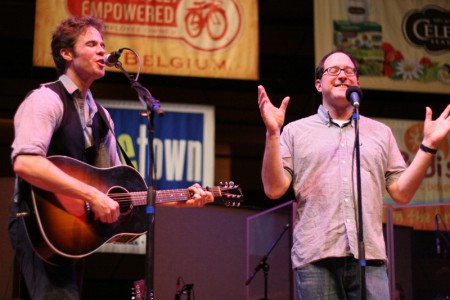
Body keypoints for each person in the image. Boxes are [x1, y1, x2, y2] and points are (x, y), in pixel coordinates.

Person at [8, 16, 213, 300]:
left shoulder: (102, 117)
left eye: (103, 45)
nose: (102, 52)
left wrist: (179, 200)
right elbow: (25, 162)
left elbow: (118, 189)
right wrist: (91, 194)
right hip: (38, 222)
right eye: (91, 44)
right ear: (67, 53)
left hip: (72, 232)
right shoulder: (46, 99)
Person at [257, 49, 450, 299]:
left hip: (370, 259)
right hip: (316, 259)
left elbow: (401, 193)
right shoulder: (295, 132)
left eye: (349, 71)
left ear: (357, 82)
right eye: (333, 70)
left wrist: (429, 145)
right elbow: (274, 189)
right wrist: (273, 134)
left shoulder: (380, 133)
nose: (342, 76)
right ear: (318, 84)